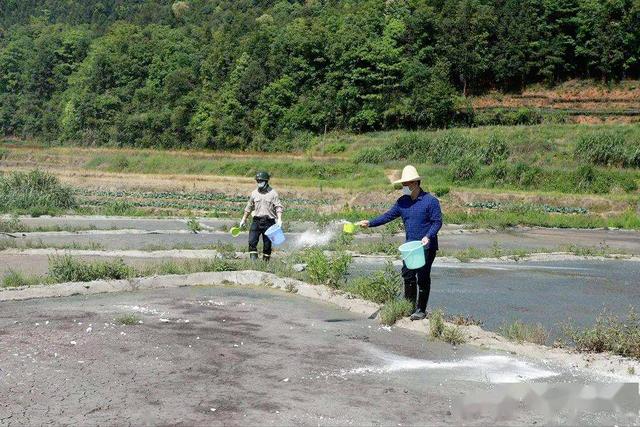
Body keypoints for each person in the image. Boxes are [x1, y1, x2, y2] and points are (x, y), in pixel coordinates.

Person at [357, 165, 442, 320]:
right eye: (403, 184)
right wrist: (370, 223)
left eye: (406, 184)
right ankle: (409, 307)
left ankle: (421, 310)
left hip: (426, 246)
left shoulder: (431, 201)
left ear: (415, 183)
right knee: (408, 275)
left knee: (423, 277)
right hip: (410, 246)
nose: (404, 187)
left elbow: (437, 222)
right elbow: (387, 216)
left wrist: (428, 236)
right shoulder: (402, 202)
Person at [240, 171, 283, 261]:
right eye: (258, 181)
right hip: (256, 221)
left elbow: (278, 207)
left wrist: (279, 219)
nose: (259, 183)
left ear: (266, 181)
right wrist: (244, 219)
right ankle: (254, 263)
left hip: (269, 222)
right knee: (252, 241)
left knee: (267, 245)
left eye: (261, 181)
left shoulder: (273, 193)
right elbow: (249, 207)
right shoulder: (254, 193)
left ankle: (265, 264)